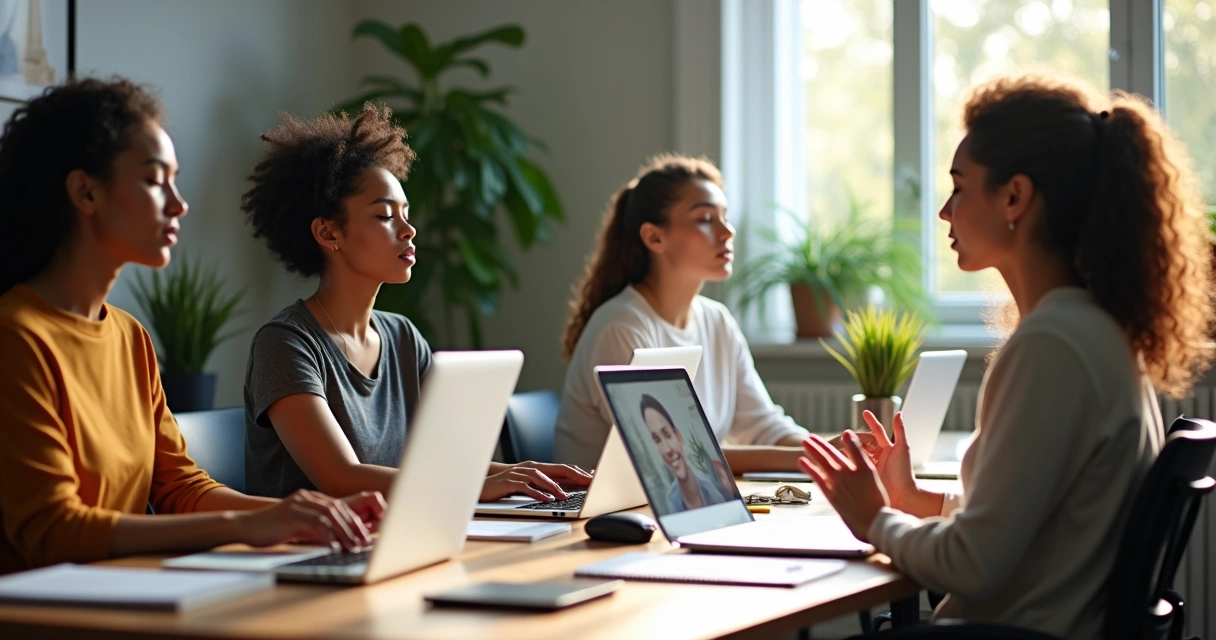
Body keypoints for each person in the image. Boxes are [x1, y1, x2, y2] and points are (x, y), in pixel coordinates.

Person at [798, 72, 1215, 637]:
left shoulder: (1053, 345)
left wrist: (873, 518)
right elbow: (1029, 527)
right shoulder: (1091, 330)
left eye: (961, 187)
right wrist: (909, 498)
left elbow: (974, 565)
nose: (945, 211)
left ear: (1015, 196)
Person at [0, 78, 386, 575]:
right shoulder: (17, 339)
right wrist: (243, 526)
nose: (179, 204)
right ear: (85, 191)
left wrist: (309, 515)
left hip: (127, 598)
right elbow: (54, 532)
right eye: (155, 179)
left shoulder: (128, 337)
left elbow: (179, 487)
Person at [240, 104, 591, 503]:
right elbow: (340, 478)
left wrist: (524, 473)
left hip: (397, 538)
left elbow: (444, 461)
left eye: (406, 214)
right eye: (385, 216)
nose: (409, 230)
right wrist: (480, 486)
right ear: (328, 232)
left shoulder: (403, 336)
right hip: (308, 554)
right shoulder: (285, 344)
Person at [556, 154, 859, 473]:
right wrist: (816, 458)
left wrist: (829, 449)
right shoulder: (621, 328)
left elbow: (763, 426)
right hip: (602, 517)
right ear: (654, 237)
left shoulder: (717, 322)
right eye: (704, 219)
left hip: (678, 504)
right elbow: (676, 455)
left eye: (724, 216)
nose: (727, 232)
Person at [638, 394, 731, 513]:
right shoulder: (670, 504)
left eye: (667, 434)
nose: (667, 450)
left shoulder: (711, 488)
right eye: (657, 440)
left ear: (678, 436)